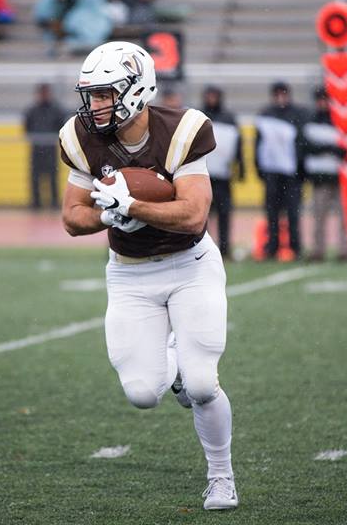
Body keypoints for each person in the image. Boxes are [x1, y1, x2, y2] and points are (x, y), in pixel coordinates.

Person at [59, 41, 238, 510]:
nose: (95, 105)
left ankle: (221, 476)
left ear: (137, 90)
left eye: (104, 94)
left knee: (203, 384)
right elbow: (73, 218)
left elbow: (194, 214)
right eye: (92, 95)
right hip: (129, 275)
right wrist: (108, 215)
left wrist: (133, 205)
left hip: (190, 266)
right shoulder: (79, 135)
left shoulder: (183, 130)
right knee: (142, 393)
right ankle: (173, 367)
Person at [254, 81, 309, 261]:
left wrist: (301, 169)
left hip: (292, 174)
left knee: (293, 212)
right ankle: (273, 246)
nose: (280, 98)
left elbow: (301, 143)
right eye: (277, 94)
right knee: (272, 212)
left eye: (283, 94)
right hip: (272, 172)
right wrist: (259, 168)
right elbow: (258, 143)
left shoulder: (297, 114)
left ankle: (295, 247)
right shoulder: (266, 114)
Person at [303, 86, 347, 262]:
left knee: (343, 217)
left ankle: (343, 249)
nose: (322, 103)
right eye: (320, 100)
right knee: (318, 217)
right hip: (320, 178)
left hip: (339, 177)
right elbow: (307, 147)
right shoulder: (310, 121)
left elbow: (346, 149)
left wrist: (328, 149)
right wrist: (329, 148)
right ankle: (318, 249)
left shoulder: (339, 121)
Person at [201, 86, 244, 257]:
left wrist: (240, 167)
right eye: (209, 96)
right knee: (202, 214)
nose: (211, 99)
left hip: (223, 176)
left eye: (214, 96)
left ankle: (225, 248)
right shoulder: (199, 115)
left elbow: (238, 145)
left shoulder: (229, 118)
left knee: (224, 213)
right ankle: (202, 249)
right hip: (203, 176)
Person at [23, 83, 66, 210]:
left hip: (51, 149)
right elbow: (27, 127)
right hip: (36, 149)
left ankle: (54, 202)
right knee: (35, 176)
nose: (44, 95)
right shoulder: (32, 110)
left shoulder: (56, 110)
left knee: (53, 176)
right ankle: (36, 203)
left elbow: (62, 127)